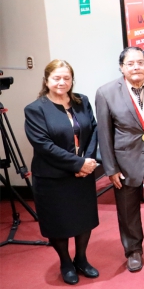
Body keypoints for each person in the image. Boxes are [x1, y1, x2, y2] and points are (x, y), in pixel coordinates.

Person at [95, 47, 144, 272]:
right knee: (128, 209)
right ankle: (133, 250)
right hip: (125, 161)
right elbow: (104, 134)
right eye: (130, 64)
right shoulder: (106, 93)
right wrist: (110, 168)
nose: (136, 67)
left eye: (140, 62)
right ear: (121, 67)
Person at [24, 60, 99, 285]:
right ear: (46, 80)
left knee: (84, 220)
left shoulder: (81, 101)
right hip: (52, 178)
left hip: (83, 175)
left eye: (66, 78)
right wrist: (78, 164)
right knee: (58, 223)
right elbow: (43, 145)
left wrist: (89, 162)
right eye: (56, 78)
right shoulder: (35, 109)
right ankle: (66, 262)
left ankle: (82, 259)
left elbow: (94, 129)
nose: (62, 82)